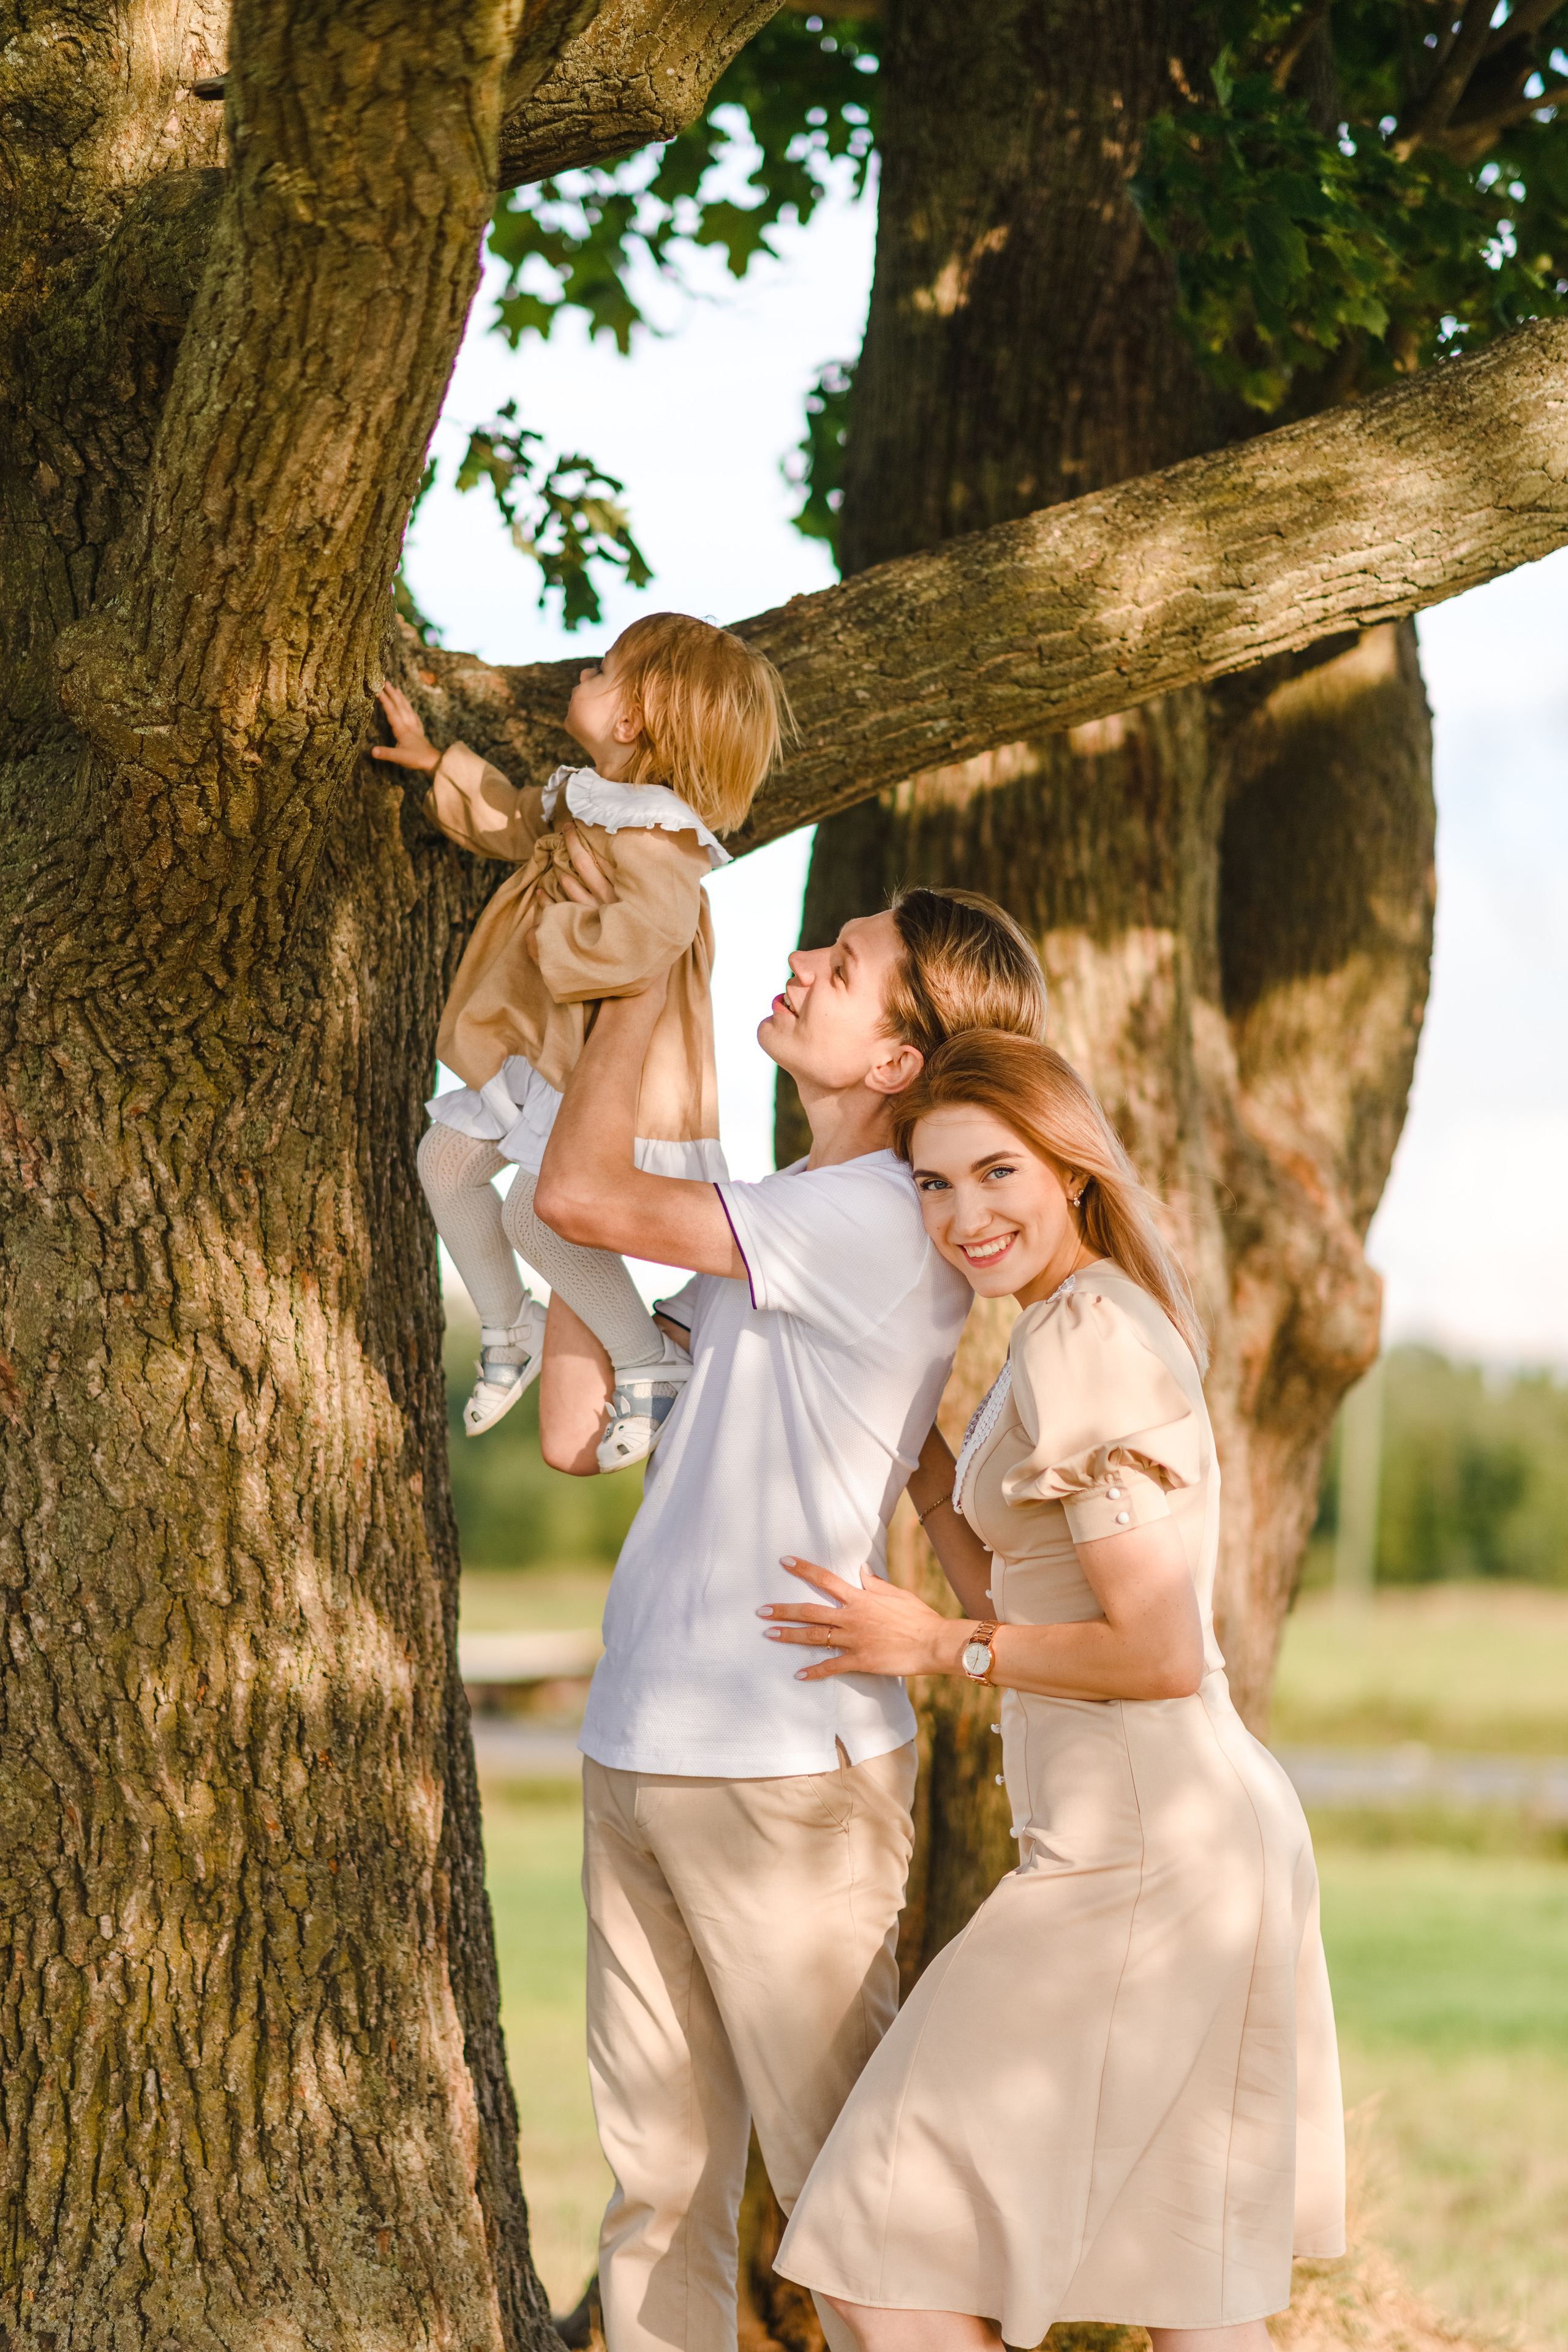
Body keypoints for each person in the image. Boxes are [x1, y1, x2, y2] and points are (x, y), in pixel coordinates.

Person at [761, 1028, 1346, 2352]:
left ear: (1068, 1169)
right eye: (930, 1183)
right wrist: (924, 1467)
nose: (965, 1216)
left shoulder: (1083, 1331)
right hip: (1188, 1838)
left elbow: (1155, 1653)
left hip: (1138, 1857)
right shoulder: (1084, 1325)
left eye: (995, 1174)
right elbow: (1034, 1599)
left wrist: (928, 1649)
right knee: (1187, 2298)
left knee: (869, 2240)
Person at [530, 888, 1049, 2352]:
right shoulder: (771, 1223)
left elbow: (577, 1199)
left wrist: (639, 984)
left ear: (897, 1063)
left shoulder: (874, 1218)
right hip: (639, 1736)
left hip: (778, 1766)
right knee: (656, 2197)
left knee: (850, 2206)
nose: (798, 970)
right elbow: (578, 1428)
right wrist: (601, 1246)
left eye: (839, 969)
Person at [372, 611, 789, 1466]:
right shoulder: (589, 801)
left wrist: (559, 945)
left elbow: (658, 928)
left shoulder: (656, 834)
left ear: (633, 721)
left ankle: (647, 1360)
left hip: (598, 1054)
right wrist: (439, 766)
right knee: (444, 1163)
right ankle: (508, 1321)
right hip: (538, 1037)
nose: (585, 677)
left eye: (604, 671)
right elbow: (520, 820)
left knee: (538, 1212)